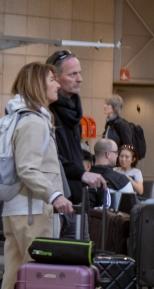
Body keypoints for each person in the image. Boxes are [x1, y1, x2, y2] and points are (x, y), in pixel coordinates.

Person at [0, 61, 76, 289]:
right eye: (52, 80)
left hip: (17, 209)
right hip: (31, 210)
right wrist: (54, 194)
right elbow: (28, 168)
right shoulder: (32, 122)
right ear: (37, 85)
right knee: (36, 279)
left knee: (15, 278)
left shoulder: (22, 117)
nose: (57, 84)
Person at [46, 51, 108, 236]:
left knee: (80, 254)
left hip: (76, 197)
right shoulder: (46, 113)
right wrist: (81, 173)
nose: (80, 79)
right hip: (54, 198)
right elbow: (50, 158)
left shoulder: (73, 111)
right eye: (73, 74)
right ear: (55, 78)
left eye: (79, 73)